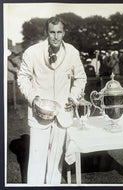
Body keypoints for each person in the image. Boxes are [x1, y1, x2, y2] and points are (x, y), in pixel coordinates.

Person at [17, 16, 87, 185]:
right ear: (46, 32)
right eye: (52, 32)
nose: (56, 36)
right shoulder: (32, 52)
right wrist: (33, 98)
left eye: (59, 32)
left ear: (64, 33)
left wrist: (73, 96)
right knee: (37, 158)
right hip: (39, 113)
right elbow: (23, 78)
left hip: (63, 112)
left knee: (56, 160)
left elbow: (81, 78)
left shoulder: (72, 52)